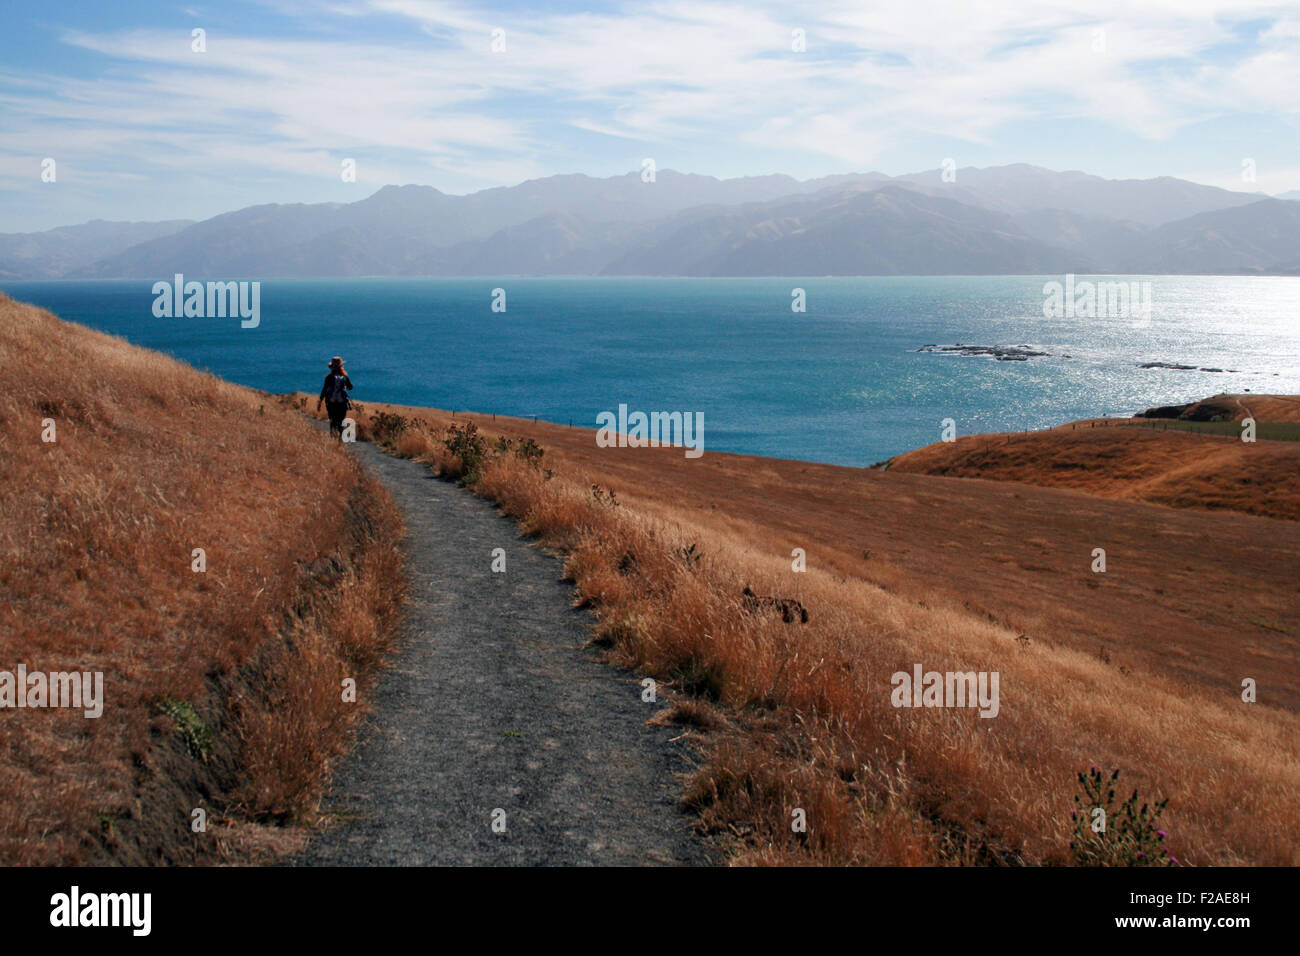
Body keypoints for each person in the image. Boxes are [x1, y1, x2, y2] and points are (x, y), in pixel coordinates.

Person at [317, 356, 353, 439]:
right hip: (342, 402)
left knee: (333, 420)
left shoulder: (328, 377)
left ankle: (332, 437)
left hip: (331, 402)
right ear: (341, 367)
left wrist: (320, 401)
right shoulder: (345, 377)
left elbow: (324, 390)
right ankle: (341, 439)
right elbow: (350, 387)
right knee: (341, 421)